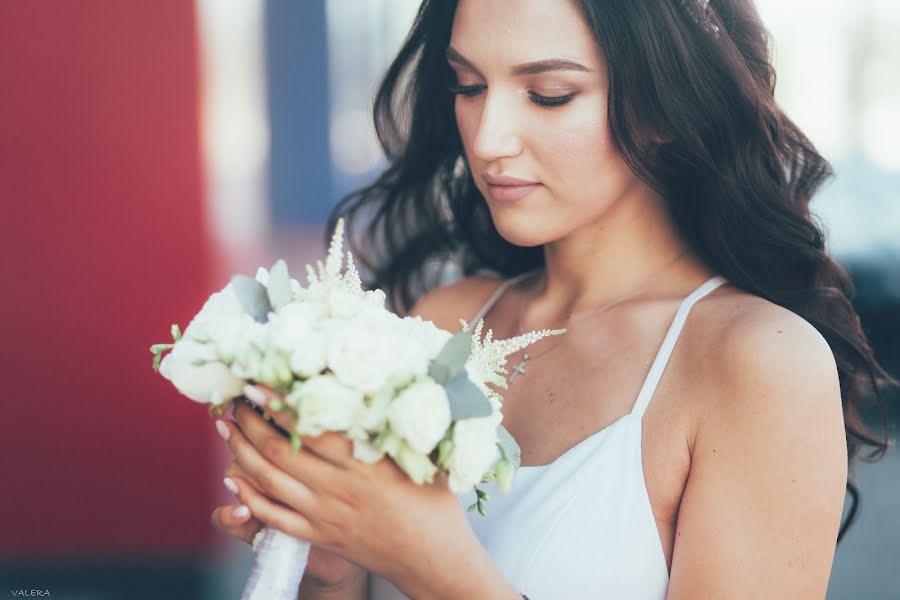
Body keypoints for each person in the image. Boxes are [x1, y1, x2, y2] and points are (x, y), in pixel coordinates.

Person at [210, 0, 895, 598]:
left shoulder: (756, 362)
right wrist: (331, 574)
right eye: (468, 85)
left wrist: (432, 568)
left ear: (665, 105)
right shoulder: (442, 324)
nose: (487, 139)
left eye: (549, 94)